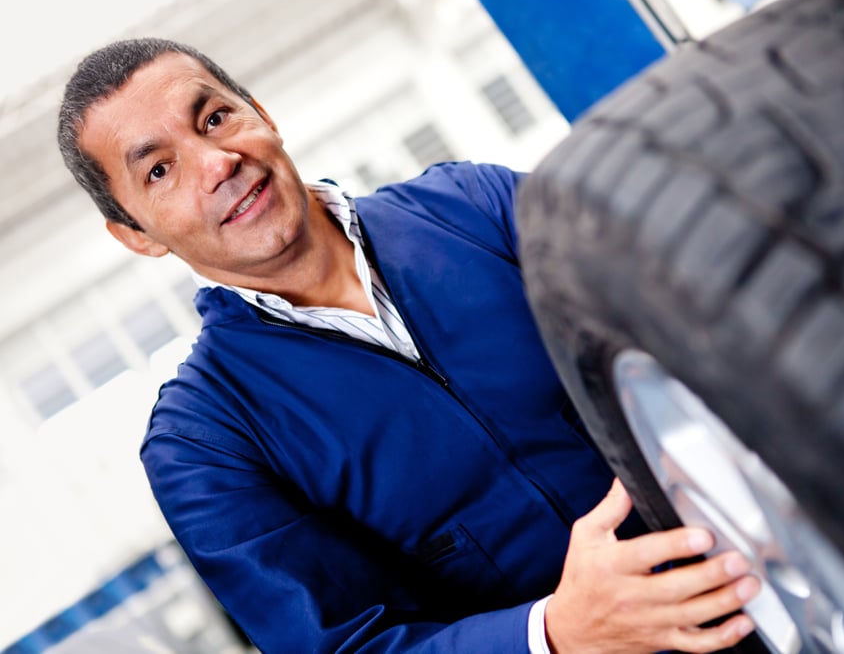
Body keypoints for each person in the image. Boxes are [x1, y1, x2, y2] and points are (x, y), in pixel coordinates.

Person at [57, 38, 761, 653]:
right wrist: (556, 634)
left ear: (261, 113)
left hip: (779, 572)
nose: (216, 163)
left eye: (215, 118)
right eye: (159, 170)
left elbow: (695, 322)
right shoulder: (206, 444)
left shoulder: (478, 208)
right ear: (137, 234)